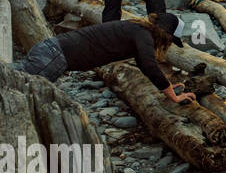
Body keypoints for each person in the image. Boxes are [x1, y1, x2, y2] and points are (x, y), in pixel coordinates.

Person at [20, 12, 197, 106]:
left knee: (14, 79)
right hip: (54, 56)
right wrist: (174, 98)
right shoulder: (143, 35)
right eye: (171, 41)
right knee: (17, 88)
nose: (168, 45)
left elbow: (144, 64)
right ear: (165, 35)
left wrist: (166, 87)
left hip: (51, 53)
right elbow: (150, 65)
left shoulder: (137, 30)